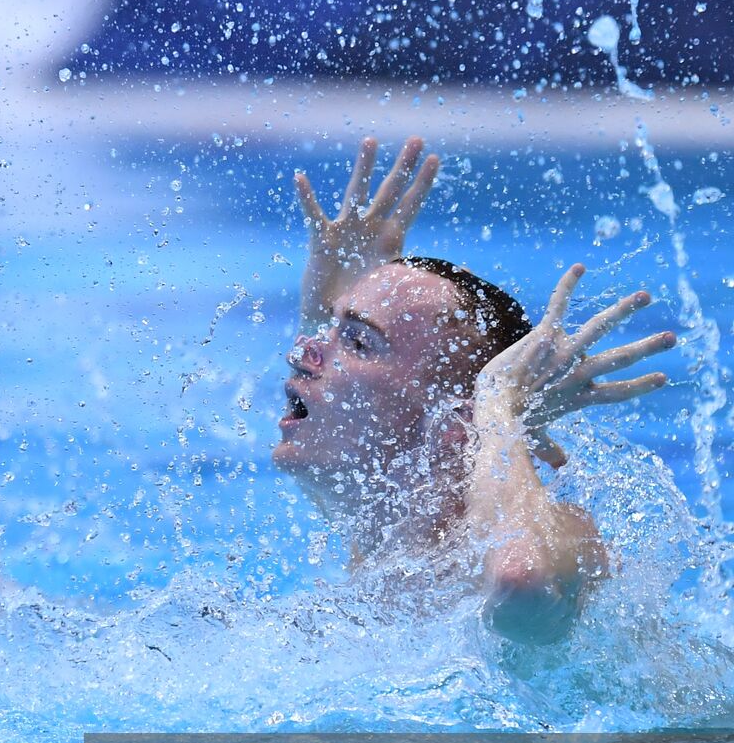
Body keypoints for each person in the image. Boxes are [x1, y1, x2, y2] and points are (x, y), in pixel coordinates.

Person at [281, 137, 675, 645]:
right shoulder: (390, 527)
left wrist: (498, 405)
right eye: (328, 333)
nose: (299, 353)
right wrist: (333, 309)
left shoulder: (563, 535)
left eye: (357, 341)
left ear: (456, 420)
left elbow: (521, 584)